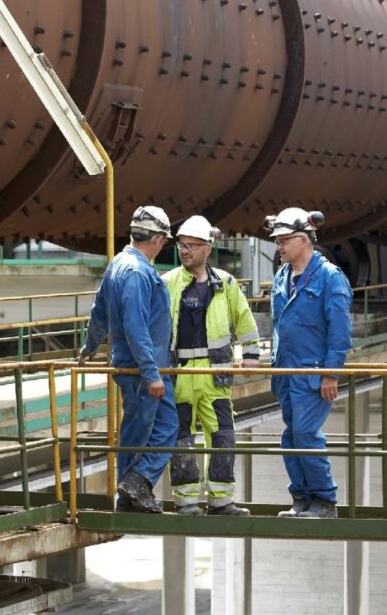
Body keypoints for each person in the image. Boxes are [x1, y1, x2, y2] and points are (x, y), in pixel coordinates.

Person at [80, 205, 177, 513]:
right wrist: (150, 374)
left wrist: (89, 345)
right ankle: (131, 488)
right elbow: (137, 328)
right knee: (142, 430)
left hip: (138, 365)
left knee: (157, 426)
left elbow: (99, 311)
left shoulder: (118, 265)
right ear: (159, 239)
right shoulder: (137, 272)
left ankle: (133, 487)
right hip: (141, 368)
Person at [162, 215, 260, 517]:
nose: (185, 250)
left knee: (223, 435)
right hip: (180, 373)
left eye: (191, 245)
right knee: (182, 438)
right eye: (181, 245)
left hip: (215, 374)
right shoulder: (167, 283)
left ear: (208, 248)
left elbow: (244, 320)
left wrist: (252, 356)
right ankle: (186, 502)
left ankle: (221, 500)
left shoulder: (226, 284)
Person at [264, 207, 352, 519]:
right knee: (290, 436)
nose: (279, 246)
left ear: (303, 240)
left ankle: (324, 500)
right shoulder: (281, 276)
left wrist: (330, 374)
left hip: (312, 372)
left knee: (305, 433)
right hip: (287, 372)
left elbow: (340, 331)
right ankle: (301, 498)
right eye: (277, 241)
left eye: (284, 240)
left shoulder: (329, 278)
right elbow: (279, 326)